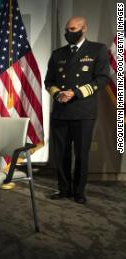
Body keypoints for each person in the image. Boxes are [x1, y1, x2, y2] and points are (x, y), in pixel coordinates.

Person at [44, 16, 109, 204]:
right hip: (61, 111)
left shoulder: (97, 50)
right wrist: (58, 94)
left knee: (81, 154)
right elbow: (49, 82)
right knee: (61, 153)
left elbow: (102, 79)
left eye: (73, 29)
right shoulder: (58, 54)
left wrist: (77, 93)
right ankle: (64, 189)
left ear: (84, 28)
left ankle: (79, 191)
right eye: (67, 30)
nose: (68, 33)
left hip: (84, 111)